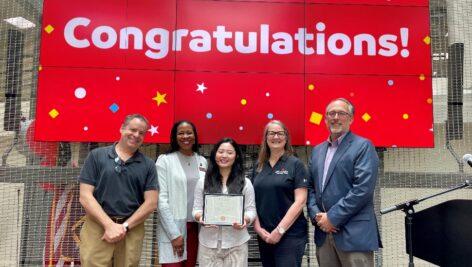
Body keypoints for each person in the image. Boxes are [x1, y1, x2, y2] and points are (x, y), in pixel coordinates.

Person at [307, 98, 381, 267]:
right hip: (323, 234)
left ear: (351, 119)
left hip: (354, 234)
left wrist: (332, 218)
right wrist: (317, 216)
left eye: (341, 113)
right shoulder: (317, 151)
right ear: (325, 119)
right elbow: (310, 188)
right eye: (331, 114)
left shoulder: (363, 146)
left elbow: (362, 189)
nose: (335, 117)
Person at [79, 114, 159, 267]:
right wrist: (109, 225)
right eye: (133, 130)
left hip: (131, 229)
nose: (136, 135)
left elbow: (151, 203)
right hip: (97, 227)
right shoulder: (96, 156)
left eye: (142, 133)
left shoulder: (148, 165)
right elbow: (85, 196)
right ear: (122, 128)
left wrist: (124, 226)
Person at [252, 120, 308, 267]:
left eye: (280, 133)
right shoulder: (258, 166)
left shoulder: (296, 164)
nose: (276, 137)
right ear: (265, 138)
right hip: (264, 235)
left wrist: (280, 230)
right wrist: (258, 229)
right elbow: (252, 201)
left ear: (286, 137)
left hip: (290, 235)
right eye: (271, 133)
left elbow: (300, 201)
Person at [193, 137, 257, 267]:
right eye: (220, 151)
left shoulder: (245, 183)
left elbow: (251, 210)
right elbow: (196, 210)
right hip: (208, 244)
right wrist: (202, 218)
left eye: (229, 152)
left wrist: (245, 220)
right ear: (215, 154)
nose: (224, 156)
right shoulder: (202, 181)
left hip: (237, 244)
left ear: (236, 156)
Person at [156, 120, 207, 266]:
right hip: (173, 226)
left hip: (196, 227)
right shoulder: (165, 161)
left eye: (189, 132)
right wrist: (174, 234)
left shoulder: (202, 161)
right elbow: (161, 200)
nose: (186, 136)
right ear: (174, 137)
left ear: (195, 136)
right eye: (181, 133)